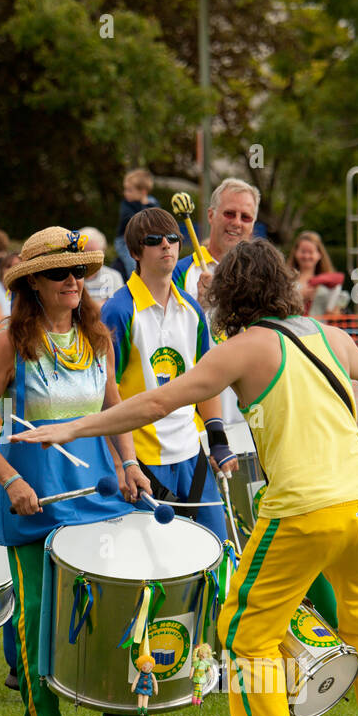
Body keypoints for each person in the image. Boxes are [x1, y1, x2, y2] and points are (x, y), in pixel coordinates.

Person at [15, 239, 358, 716]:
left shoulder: (241, 348)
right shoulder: (328, 335)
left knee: (242, 631)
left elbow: (158, 402)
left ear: (230, 293)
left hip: (303, 509)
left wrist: (73, 426)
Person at [0, 225, 177, 716]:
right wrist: (10, 480)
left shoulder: (97, 336)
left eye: (79, 271)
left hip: (98, 500)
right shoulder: (10, 342)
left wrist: (130, 463)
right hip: (36, 503)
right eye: (60, 272)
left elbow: (113, 411)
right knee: (40, 617)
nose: (73, 281)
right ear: (33, 283)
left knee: (120, 609)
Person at [102, 206, 235, 544]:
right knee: (155, 572)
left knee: (216, 558)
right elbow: (107, 395)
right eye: (153, 240)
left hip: (193, 457)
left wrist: (217, 441)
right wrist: (123, 463)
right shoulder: (118, 310)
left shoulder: (192, 308)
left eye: (173, 238)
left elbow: (206, 382)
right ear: (135, 251)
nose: (166, 245)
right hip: (143, 463)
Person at [174, 178, 260, 306]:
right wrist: (200, 308)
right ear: (210, 215)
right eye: (229, 214)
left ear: (252, 225)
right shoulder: (179, 272)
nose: (237, 222)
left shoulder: (262, 275)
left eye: (245, 217)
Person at [114, 169, 159, 279]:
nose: (126, 193)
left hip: (145, 240)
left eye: (129, 190)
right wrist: (142, 206)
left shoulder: (153, 203)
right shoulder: (126, 204)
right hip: (125, 241)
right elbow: (133, 221)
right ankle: (136, 281)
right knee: (132, 263)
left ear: (143, 192)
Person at [287, 230, 341, 316]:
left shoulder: (329, 281)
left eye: (310, 252)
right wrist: (299, 296)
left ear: (319, 254)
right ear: (295, 253)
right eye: (303, 252)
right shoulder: (286, 280)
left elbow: (335, 313)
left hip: (321, 327)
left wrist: (335, 311)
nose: (306, 256)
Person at [79, 227, 123, 304]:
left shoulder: (113, 276)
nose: (88, 257)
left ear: (103, 252)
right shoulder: (71, 277)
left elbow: (117, 306)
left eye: (93, 252)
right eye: (84, 252)